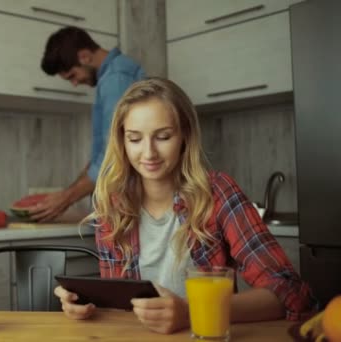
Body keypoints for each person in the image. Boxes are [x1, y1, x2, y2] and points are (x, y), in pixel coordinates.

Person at [53, 78, 318, 334]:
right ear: (122, 141)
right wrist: (86, 303)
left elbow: (290, 293)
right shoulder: (111, 204)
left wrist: (191, 311)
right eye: (135, 139)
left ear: (184, 136)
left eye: (163, 136)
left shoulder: (217, 193)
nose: (149, 153)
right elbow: (123, 308)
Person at [26, 26, 145, 222]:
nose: (74, 83)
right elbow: (102, 153)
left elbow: (113, 154)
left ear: (85, 56)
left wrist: (66, 198)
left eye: (72, 75)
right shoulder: (112, 76)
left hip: (130, 209)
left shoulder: (116, 79)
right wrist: (68, 193)